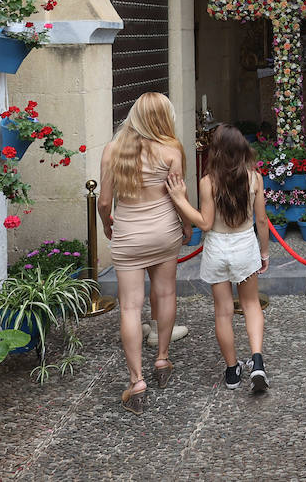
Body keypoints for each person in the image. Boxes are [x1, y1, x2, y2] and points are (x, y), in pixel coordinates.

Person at [98, 92, 190, 414]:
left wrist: (108, 228)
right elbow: (179, 195)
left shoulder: (113, 150)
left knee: (129, 308)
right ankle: (162, 360)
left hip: (128, 236)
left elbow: (104, 202)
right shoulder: (171, 149)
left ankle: (136, 381)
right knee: (165, 294)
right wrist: (187, 227)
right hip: (165, 232)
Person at [165, 123, 270, 393]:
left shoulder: (208, 182)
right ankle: (257, 362)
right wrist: (264, 251)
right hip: (245, 245)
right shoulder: (254, 178)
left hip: (217, 249)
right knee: (251, 305)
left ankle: (232, 370)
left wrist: (179, 200)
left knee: (223, 312)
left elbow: (206, 223)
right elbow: (261, 219)